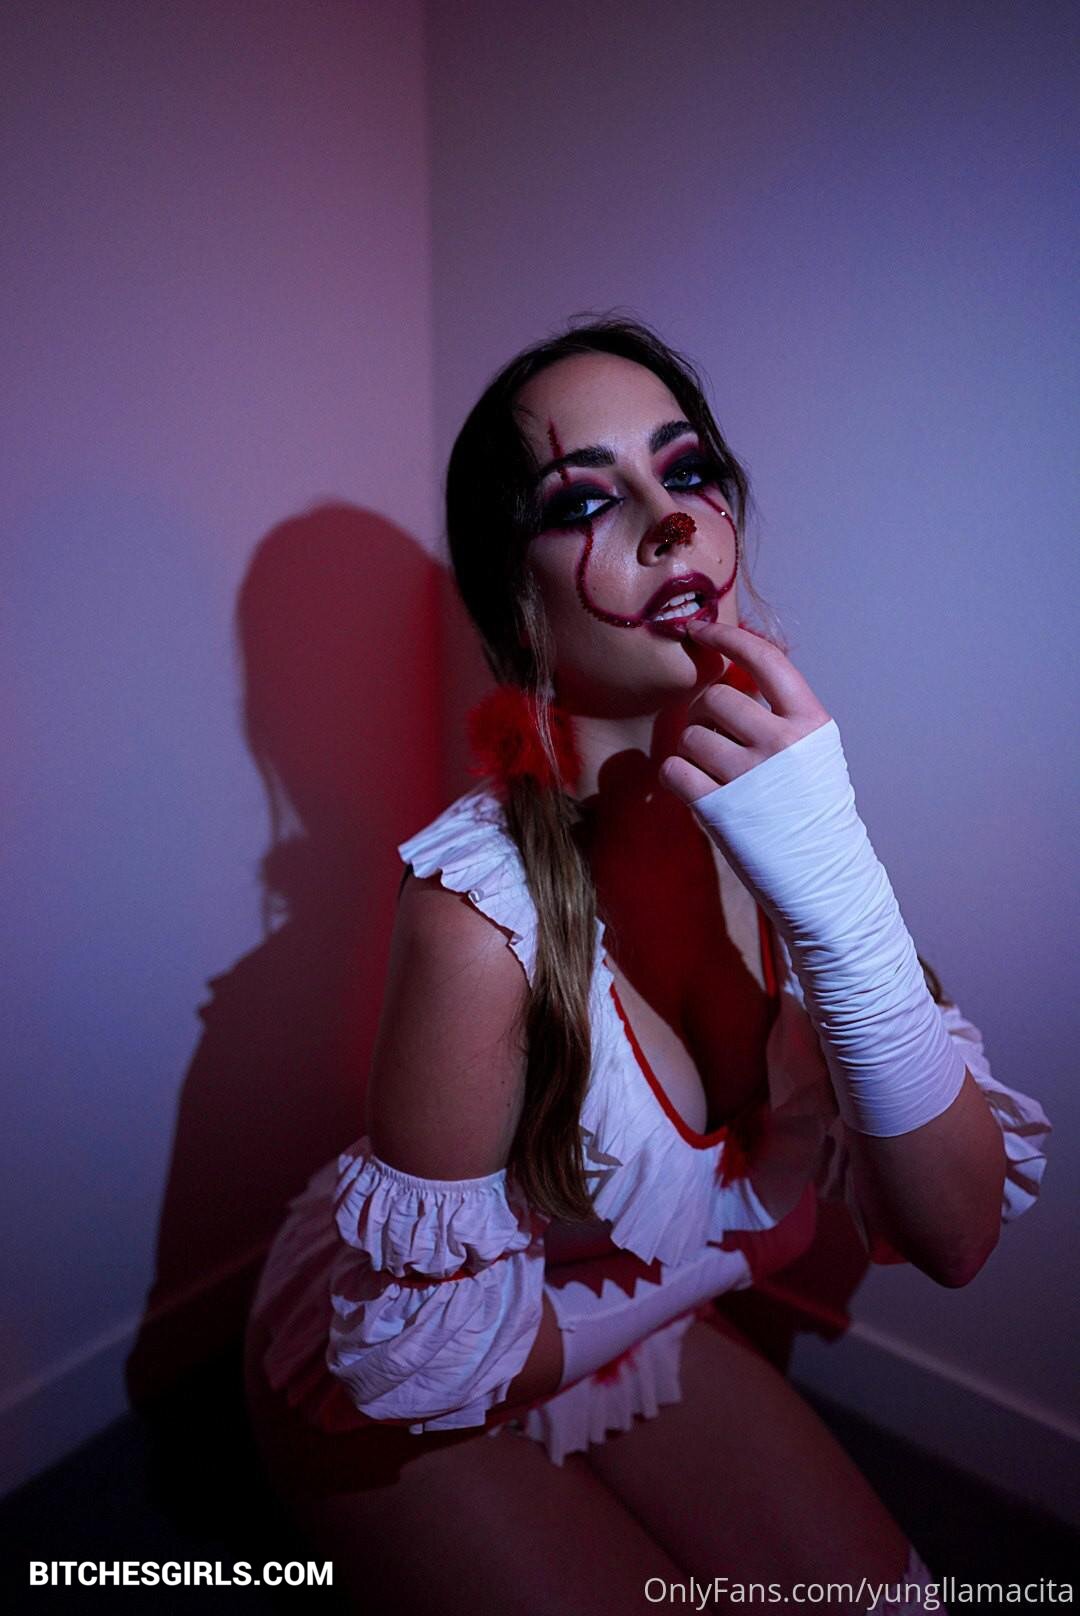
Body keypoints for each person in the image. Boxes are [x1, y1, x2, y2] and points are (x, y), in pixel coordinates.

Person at [242, 317, 1051, 1615]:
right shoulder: (477, 917)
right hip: (388, 1374)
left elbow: (953, 1237)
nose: (669, 519)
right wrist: (729, 1265)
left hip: (610, 1329)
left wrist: (840, 890)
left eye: (689, 472)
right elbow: (415, 1361)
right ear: (518, 605)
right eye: (585, 498)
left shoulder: (790, 817)